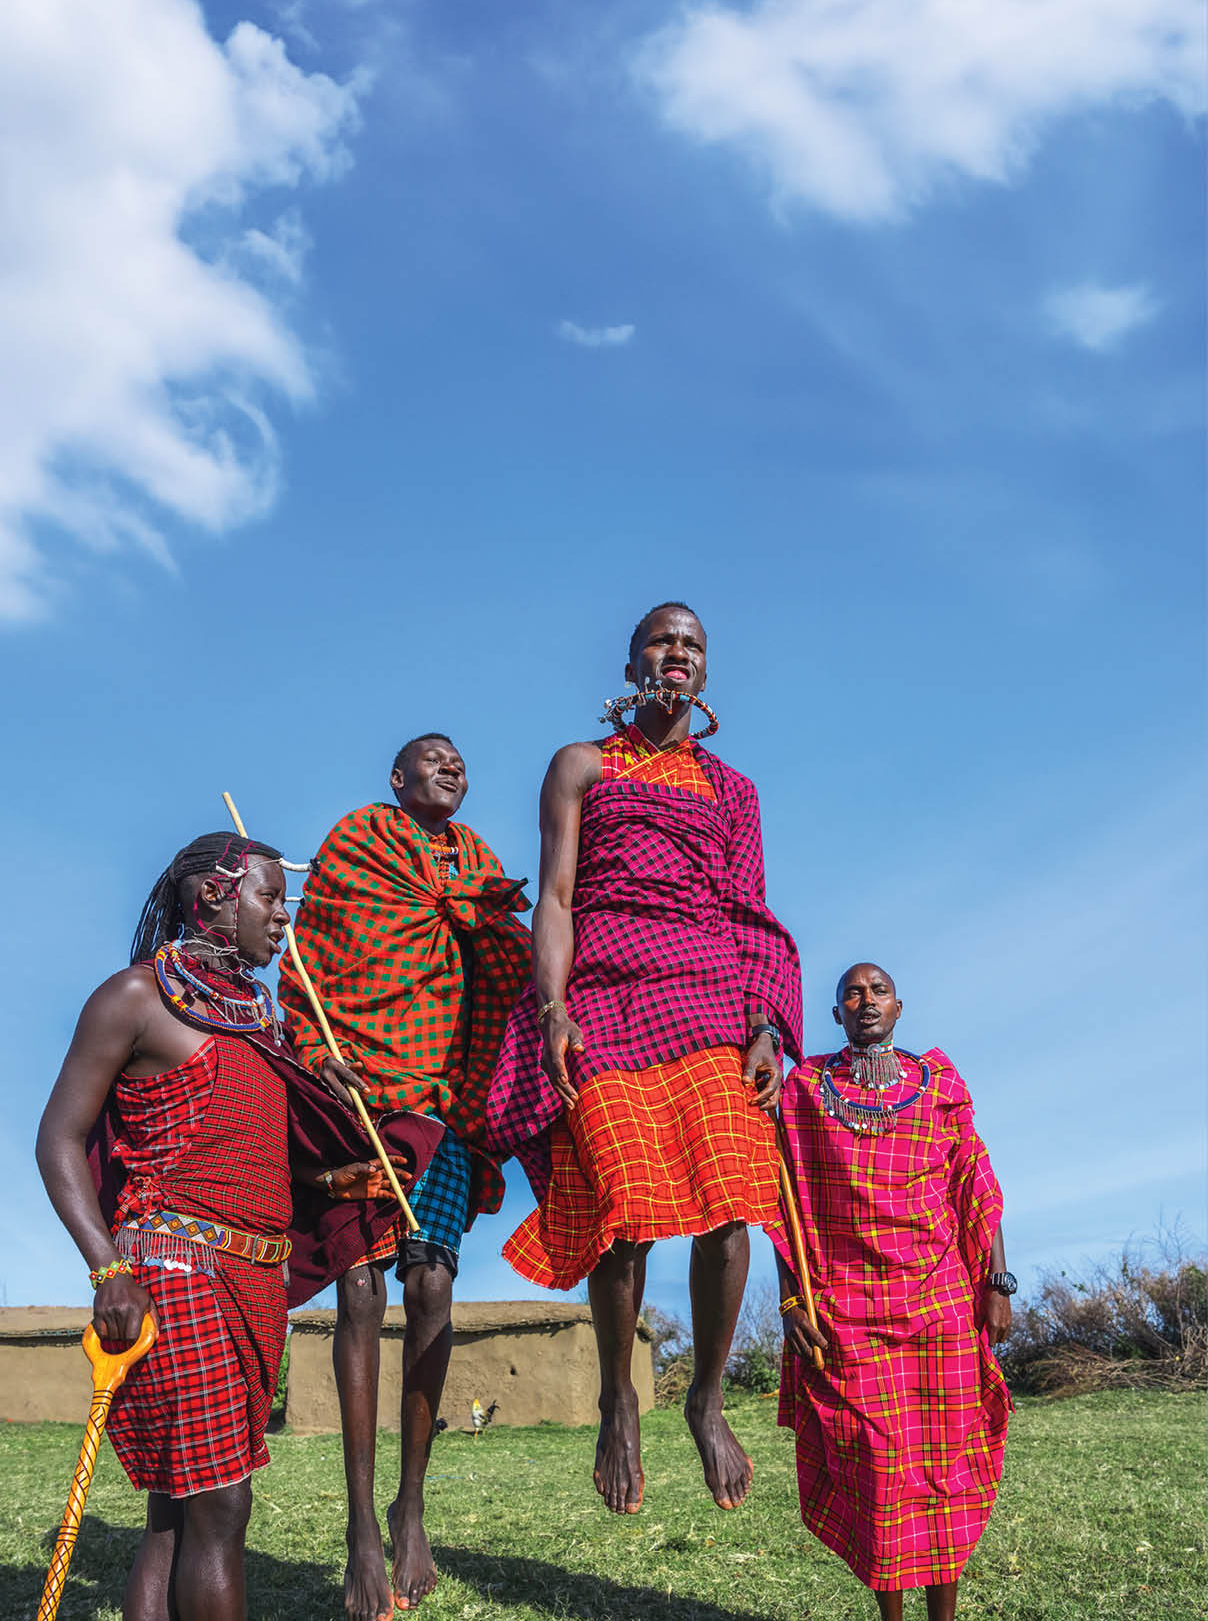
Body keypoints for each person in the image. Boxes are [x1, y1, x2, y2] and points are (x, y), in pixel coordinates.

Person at [35, 833, 430, 1621]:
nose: (285, 916)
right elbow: (57, 1138)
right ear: (215, 896)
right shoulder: (136, 998)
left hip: (253, 1281)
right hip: (171, 1272)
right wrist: (107, 1270)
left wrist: (333, 1166)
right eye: (271, 898)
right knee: (221, 1507)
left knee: (177, 1516)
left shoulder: (260, 1022)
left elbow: (247, 1153)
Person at [484, 603, 803, 1516]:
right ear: (633, 663)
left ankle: (704, 1392)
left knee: (733, 1196)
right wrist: (550, 1009)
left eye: (693, 644)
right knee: (624, 1207)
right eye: (663, 641)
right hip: (607, 997)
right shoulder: (581, 764)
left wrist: (767, 1024)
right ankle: (620, 1390)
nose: (678, 653)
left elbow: (751, 912)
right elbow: (553, 896)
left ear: (704, 672)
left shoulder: (731, 788)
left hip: (709, 999)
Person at [280, 735, 530, 1618]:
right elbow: (304, 972)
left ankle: (409, 1506)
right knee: (358, 1294)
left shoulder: (481, 864)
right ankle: (358, 1530)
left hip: (443, 1098)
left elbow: (509, 970)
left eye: (462, 759)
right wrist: (319, 1053)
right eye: (433, 758)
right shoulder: (355, 846)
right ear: (396, 778)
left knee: (430, 1287)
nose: (453, 767)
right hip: (357, 1093)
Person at [771, 962, 1013, 1621]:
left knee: (943, 1474)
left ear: (899, 1008)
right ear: (836, 1015)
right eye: (853, 992)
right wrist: (793, 1299)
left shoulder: (941, 1084)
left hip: (940, 1307)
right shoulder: (805, 1091)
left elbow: (976, 1186)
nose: (866, 1000)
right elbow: (780, 1198)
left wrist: (996, 1280)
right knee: (878, 1474)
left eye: (878, 991)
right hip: (847, 1309)